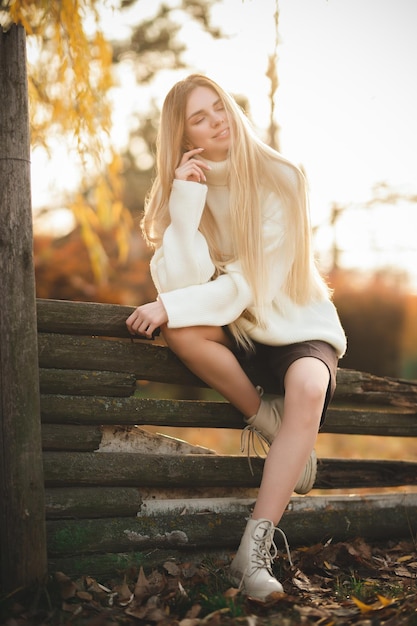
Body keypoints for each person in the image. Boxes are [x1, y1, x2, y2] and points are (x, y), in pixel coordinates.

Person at [126, 74, 346, 601]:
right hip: (235, 324)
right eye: (198, 118)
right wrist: (184, 202)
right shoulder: (184, 187)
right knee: (181, 330)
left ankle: (252, 554)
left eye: (217, 107)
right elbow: (181, 284)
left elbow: (252, 281)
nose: (216, 120)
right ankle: (270, 421)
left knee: (310, 386)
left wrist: (169, 305)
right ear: (182, 139)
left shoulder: (282, 177)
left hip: (295, 322)